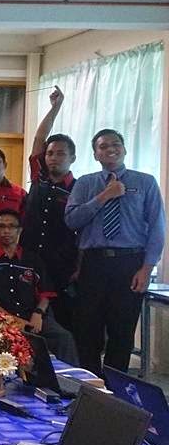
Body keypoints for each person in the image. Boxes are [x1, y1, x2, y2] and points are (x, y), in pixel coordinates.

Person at [65, 128, 165, 374]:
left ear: (124, 149)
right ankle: (90, 386)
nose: (110, 149)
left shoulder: (145, 182)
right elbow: (72, 220)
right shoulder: (86, 183)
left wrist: (147, 268)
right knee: (88, 331)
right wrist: (104, 196)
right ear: (95, 154)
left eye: (116, 144)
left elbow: (157, 228)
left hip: (129, 263)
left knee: (122, 332)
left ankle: (115, 389)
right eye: (103, 146)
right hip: (93, 264)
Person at [0, 209, 78, 365]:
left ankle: (71, 378)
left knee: (64, 337)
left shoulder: (33, 259)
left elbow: (45, 294)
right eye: (1, 226)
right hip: (1, 318)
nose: (6, 231)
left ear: (19, 230)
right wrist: (12, 320)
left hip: (33, 316)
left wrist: (38, 314)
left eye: (11, 226)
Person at [21, 88, 80, 332]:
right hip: (30, 260)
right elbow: (38, 139)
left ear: (72, 158)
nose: (54, 158)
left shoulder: (80, 189)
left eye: (60, 153)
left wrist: (79, 267)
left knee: (63, 325)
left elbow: (83, 232)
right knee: (27, 320)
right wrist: (55, 108)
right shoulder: (39, 178)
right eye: (50, 153)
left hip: (61, 266)